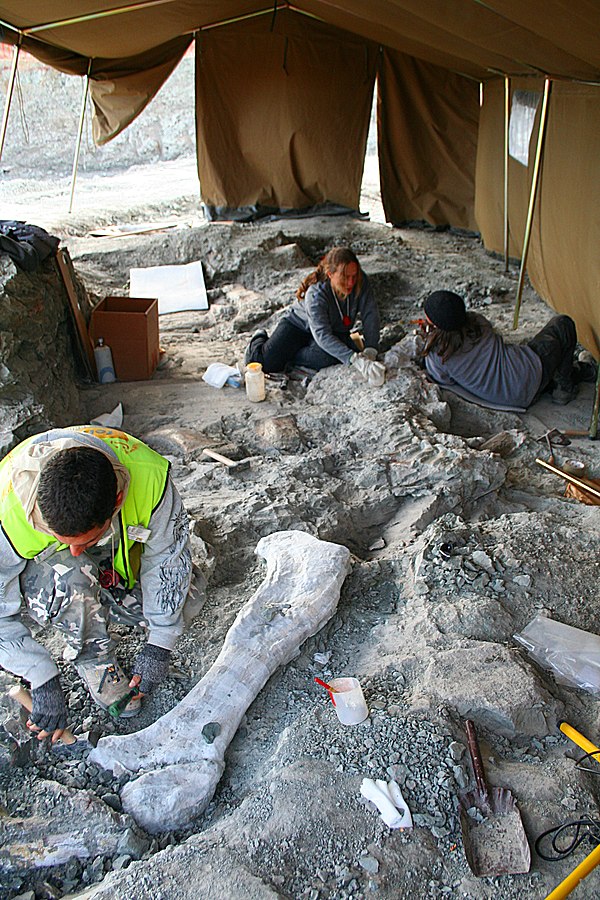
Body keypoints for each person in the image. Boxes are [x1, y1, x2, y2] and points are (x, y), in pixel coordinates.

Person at [0, 425, 200, 744]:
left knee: (189, 594)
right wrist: (40, 676)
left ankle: (106, 587)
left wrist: (160, 642)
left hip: (119, 556)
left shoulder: (150, 478)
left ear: (118, 497)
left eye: (85, 540)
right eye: (65, 541)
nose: (76, 549)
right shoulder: (6, 510)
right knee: (72, 571)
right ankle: (95, 658)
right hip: (58, 577)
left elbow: (167, 557)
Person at [421, 290, 596, 408]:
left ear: (433, 325)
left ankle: (564, 377)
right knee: (562, 324)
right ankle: (564, 388)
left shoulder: (438, 357)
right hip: (531, 374)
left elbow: (446, 381)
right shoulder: (479, 323)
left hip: (511, 399)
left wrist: (430, 339)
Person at [244, 247, 384, 384]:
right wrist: (355, 359)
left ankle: (294, 354)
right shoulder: (316, 293)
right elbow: (322, 334)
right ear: (330, 274)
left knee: (331, 358)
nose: (351, 282)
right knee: (265, 364)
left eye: (354, 276)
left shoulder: (360, 281)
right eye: (345, 277)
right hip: (298, 326)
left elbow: (370, 314)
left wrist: (371, 349)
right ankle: (259, 337)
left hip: (334, 329)